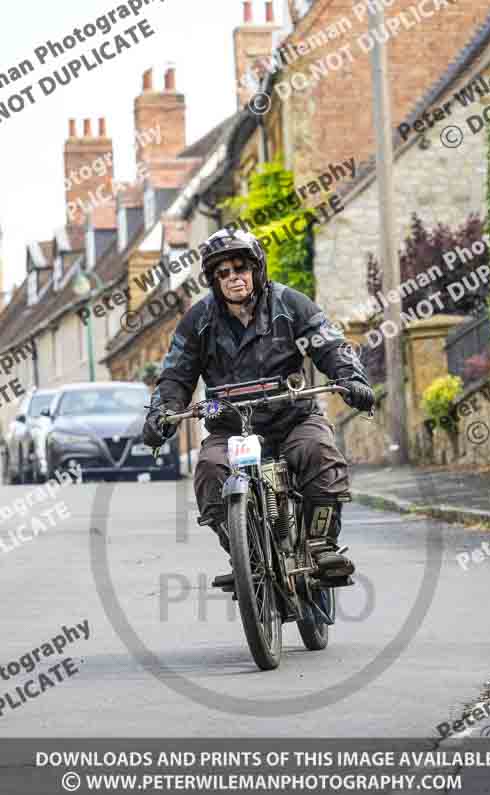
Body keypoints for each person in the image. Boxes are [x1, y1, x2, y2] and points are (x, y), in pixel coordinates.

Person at [143, 228, 374, 578]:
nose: (234, 278)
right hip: (231, 428)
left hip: (292, 418)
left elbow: (330, 346)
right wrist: (162, 411)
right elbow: (176, 374)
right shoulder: (197, 321)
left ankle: (322, 544)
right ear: (213, 280)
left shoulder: (290, 304)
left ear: (257, 269)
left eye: (241, 268)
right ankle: (244, 550)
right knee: (209, 469)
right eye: (223, 273)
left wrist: (351, 378)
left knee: (318, 451)